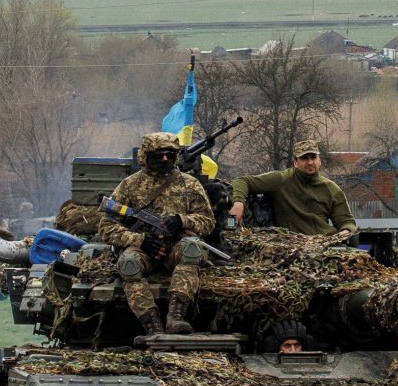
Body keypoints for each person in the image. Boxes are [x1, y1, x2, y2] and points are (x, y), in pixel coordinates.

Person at [105, 131, 214, 333]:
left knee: (192, 249)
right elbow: (107, 226)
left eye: (170, 155)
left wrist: (182, 221)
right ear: (146, 156)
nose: (165, 159)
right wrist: (139, 240)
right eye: (159, 155)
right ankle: (152, 325)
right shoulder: (129, 186)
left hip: (176, 246)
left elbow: (208, 221)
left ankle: (176, 317)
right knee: (128, 264)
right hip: (144, 248)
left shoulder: (190, 184)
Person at [231, 141, 355, 237]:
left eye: (313, 157)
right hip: (292, 246)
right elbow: (243, 181)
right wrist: (238, 203)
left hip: (325, 243)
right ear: (295, 162)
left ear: (319, 160)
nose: (310, 162)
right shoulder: (281, 180)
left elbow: (346, 221)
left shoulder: (331, 189)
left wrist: (345, 231)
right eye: (304, 158)